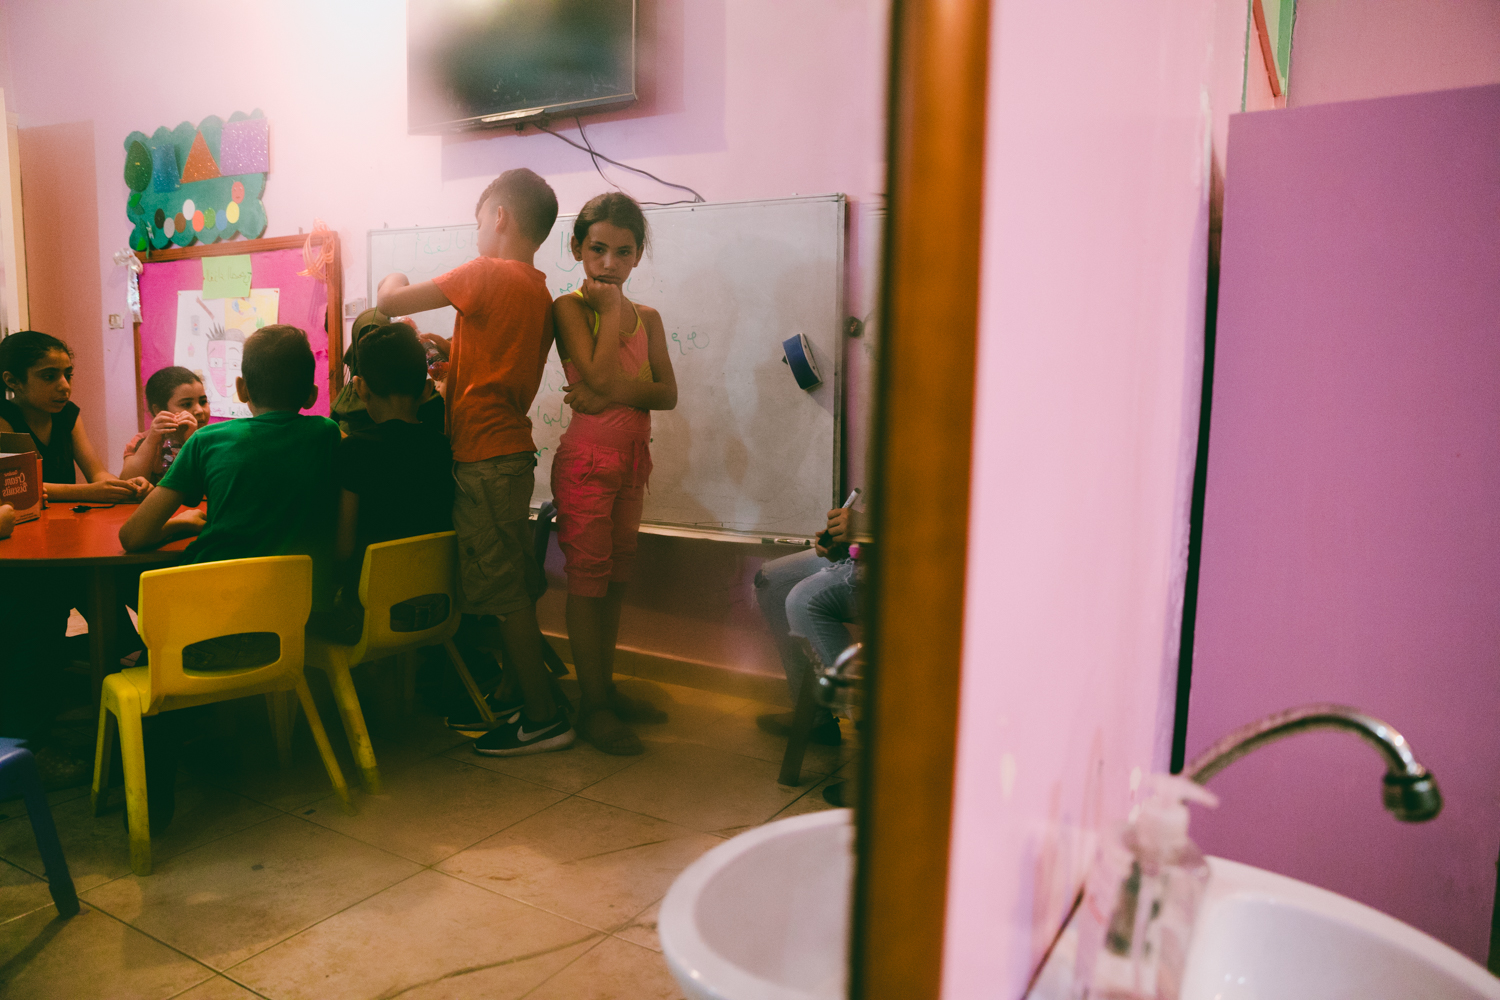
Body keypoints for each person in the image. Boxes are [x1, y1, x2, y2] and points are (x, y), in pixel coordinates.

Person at [376, 167, 572, 757]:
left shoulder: (483, 273)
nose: (477, 233)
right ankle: (522, 691)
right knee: (511, 575)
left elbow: (388, 303)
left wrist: (394, 273)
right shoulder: (536, 290)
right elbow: (499, 360)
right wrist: (451, 350)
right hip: (509, 452)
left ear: (501, 217)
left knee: (502, 589)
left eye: (479, 220)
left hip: (484, 457)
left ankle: (543, 718)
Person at [118, 323, 340, 828]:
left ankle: (157, 794)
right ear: (310, 393)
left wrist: (184, 523)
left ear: (240, 390)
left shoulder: (210, 441)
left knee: (129, 609)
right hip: (290, 624)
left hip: (207, 628)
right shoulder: (327, 434)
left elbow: (133, 537)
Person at [550, 192, 678, 755]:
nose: (608, 263)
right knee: (587, 581)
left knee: (617, 579)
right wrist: (609, 319)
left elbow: (666, 395)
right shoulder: (570, 308)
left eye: (623, 252)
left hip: (631, 462)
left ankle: (605, 688)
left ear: (637, 255)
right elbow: (599, 374)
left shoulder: (649, 317)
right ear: (577, 247)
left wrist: (602, 394)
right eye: (597, 249)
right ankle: (592, 704)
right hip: (586, 466)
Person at [322, 322, 454, 641]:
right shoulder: (445, 447)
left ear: (359, 386)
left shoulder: (354, 449)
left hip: (368, 611)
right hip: (436, 605)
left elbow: (342, 548)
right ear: (426, 389)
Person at [0, 330, 151, 502]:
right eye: (49, 377)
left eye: (68, 375)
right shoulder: (4, 419)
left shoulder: (67, 414)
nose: (65, 386)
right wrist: (89, 492)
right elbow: (23, 486)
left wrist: (126, 488)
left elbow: (97, 473)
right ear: (13, 381)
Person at [753, 505, 860, 746]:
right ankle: (814, 718)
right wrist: (842, 540)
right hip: (862, 555)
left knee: (806, 600)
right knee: (772, 580)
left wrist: (864, 528)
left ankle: (882, 743)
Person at [120, 366, 210, 483]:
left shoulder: (212, 440)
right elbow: (128, 482)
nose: (199, 410)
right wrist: (152, 441)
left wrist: (191, 441)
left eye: (203, 402)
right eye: (186, 404)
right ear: (159, 410)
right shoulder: (142, 441)